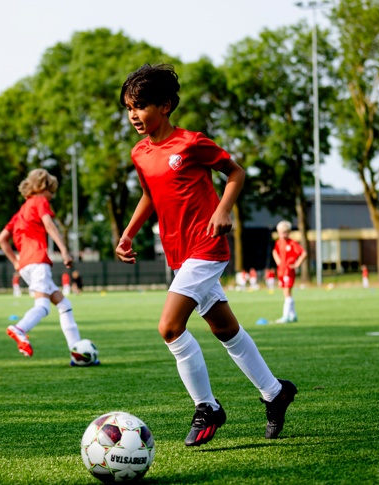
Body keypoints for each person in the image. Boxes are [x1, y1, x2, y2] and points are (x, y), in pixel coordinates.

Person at [115, 64, 297, 447]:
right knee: (224, 328)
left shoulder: (192, 143)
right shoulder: (140, 153)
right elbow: (150, 195)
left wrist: (223, 209)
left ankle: (207, 407)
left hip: (207, 246)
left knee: (169, 327)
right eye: (129, 107)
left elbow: (235, 173)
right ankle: (274, 392)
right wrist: (128, 234)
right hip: (178, 252)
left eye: (141, 105)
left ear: (165, 106)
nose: (133, 114)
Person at [0, 168, 94, 364]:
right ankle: (20, 328)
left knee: (64, 304)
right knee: (42, 306)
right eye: (52, 190)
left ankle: (76, 353)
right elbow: (50, 225)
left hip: (25, 265)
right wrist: (65, 251)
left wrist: (15, 261)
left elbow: (2, 239)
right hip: (38, 261)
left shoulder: (20, 212)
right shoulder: (40, 201)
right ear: (43, 187)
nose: (53, 195)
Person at [272, 220, 307, 323]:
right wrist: (278, 261)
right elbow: (274, 251)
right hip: (281, 271)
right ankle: (293, 315)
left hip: (288, 271)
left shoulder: (292, 243)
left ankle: (286, 316)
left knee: (287, 293)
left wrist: (297, 264)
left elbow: (303, 253)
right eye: (281, 232)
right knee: (286, 293)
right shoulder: (278, 242)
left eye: (285, 232)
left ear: (289, 232)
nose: (283, 234)